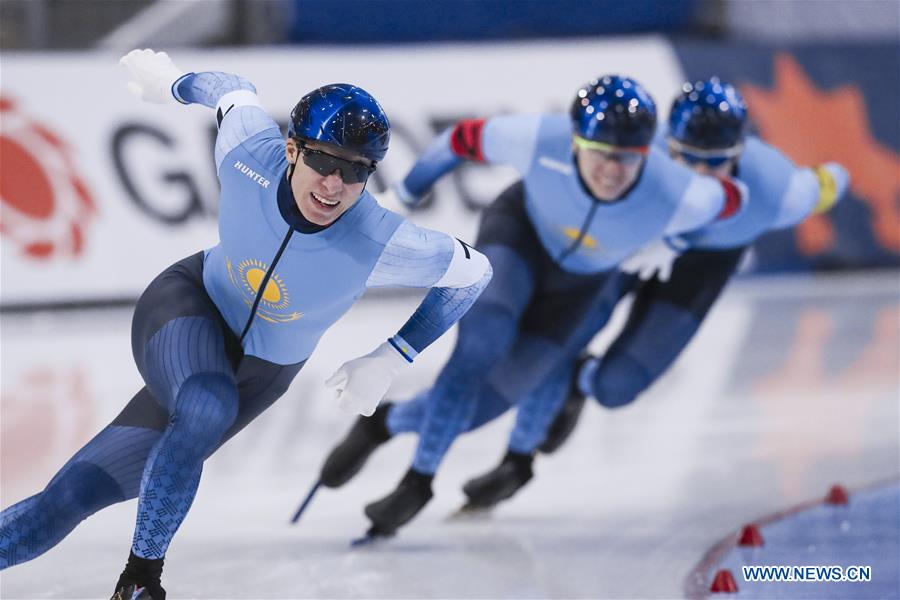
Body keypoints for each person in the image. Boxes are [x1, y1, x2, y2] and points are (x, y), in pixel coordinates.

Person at [0, 49, 491, 600]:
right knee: (206, 404)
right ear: (292, 149)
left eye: (356, 170)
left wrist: (393, 355)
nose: (334, 185)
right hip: (187, 308)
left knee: (63, 503)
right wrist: (174, 83)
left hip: (260, 374)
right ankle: (141, 581)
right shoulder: (246, 153)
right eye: (323, 161)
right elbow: (231, 88)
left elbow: (474, 273)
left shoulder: (380, 240)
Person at [315, 75, 747, 540]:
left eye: (626, 158)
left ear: (645, 154)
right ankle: (417, 481)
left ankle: (385, 424)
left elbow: (734, 201)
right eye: (599, 153)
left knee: (486, 405)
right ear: (575, 142)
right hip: (518, 240)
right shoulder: (541, 136)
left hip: (580, 285)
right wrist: (405, 195)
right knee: (482, 345)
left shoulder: (676, 188)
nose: (610, 170)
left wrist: (675, 240)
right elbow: (457, 140)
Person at [458, 77, 851, 512]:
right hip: (637, 243)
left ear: (739, 153)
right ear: (667, 144)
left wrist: (831, 177)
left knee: (616, 387)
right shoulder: (637, 151)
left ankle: (581, 381)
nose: (700, 175)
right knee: (562, 339)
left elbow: (834, 179)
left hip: (701, 265)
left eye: (715, 162)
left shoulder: (777, 189)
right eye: (687, 158)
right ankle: (517, 460)